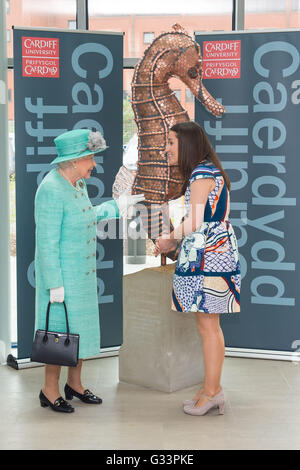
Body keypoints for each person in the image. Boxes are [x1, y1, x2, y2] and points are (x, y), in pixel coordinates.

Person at [35, 128, 144, 413]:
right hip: (61, 279)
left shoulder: (77, 185)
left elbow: (88, 216)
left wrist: (117, 206)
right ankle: (49, 390)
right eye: (90, 158)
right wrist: (53, 284)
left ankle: (75, 385)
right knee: (58, 335)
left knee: (77, 332)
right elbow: (46, 243)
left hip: (81, 276)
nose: (93, 165)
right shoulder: (50, 189)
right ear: (74, 161)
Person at [155, 121, 240, 416]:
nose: (166, 148)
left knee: (208, 327)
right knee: (209, 326)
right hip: (211, 251)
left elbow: (195, 221)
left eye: (171, 142)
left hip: (209, 254)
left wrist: (168, 239)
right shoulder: (207, 171)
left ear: (187, 145)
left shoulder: (202, 173)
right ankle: (209, 389)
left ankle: (213, 392)